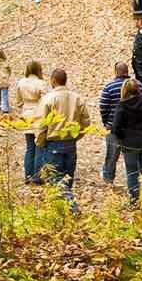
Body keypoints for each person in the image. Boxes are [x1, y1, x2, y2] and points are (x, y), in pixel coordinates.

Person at [36, 68, 93, 212]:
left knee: (55, 179)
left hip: (53, 143)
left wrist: (40, 141)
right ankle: (64, 211)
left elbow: (43, 123)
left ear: (53, 81)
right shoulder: (77, 98)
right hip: (70, 143)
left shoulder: (49, 99)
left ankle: (71, 208)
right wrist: (77, 136)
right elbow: (86, 122)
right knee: (67, 178)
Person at [111, 77, 142, 210]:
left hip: (129, 145)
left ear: (125, 90)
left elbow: (115, 128)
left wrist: (123, 137)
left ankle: (134, 201)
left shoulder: (122, 105)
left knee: (132, 173)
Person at [11, 60, 49, 182]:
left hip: (26, 115)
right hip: (39, 115)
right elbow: (46, 101)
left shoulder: (21, 83)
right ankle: (38, 176)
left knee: (29, 147)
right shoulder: (41, 83)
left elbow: (18, 102)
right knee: (39, 146)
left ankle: (28, 175)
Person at [98, 62, 130, 185]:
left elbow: (103, 107)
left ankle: (108, 179)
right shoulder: (138, 85)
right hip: (132, 129)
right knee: (130, 157)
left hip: (113, 128)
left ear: (116, 72)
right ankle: (133, 180)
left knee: (111, 156)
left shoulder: (109, 87)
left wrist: (107, 123)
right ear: (127, 72)